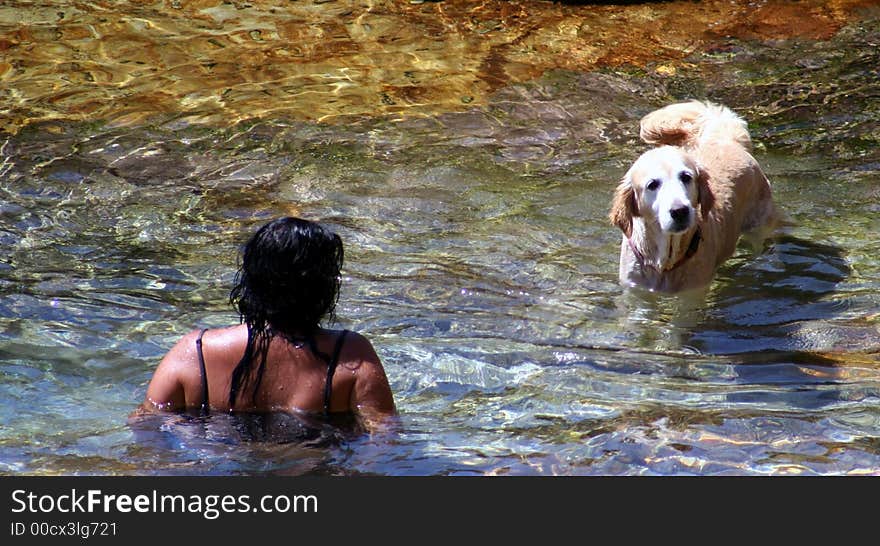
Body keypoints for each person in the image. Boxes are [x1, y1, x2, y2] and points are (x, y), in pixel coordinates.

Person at [133, 217, 396, 433]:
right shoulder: (349, 355)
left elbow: (145, 425)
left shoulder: (196, 351)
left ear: (251, 282)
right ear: (322, 288)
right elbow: (384, 439)